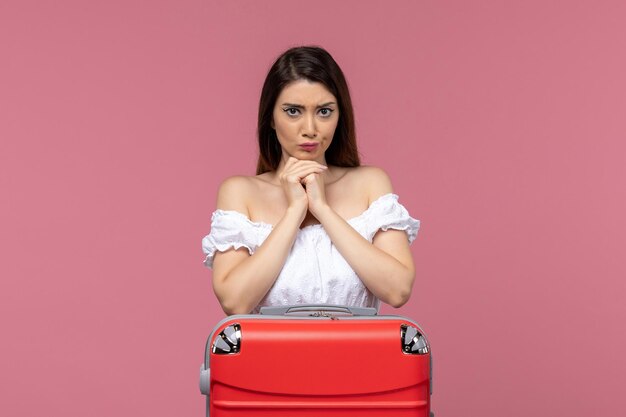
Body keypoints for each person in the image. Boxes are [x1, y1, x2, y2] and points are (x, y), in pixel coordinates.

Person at [202, 45, 420, 315]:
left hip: (359, 356)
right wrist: (295, 211)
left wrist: (322, 209)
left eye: (324, 111)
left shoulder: (370, 184)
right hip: (269, 357)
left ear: (340, 116)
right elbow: (235, 302)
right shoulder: (240, 192)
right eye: (293, 111)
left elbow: (397, 290)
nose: (310, 129)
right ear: (270, 117)